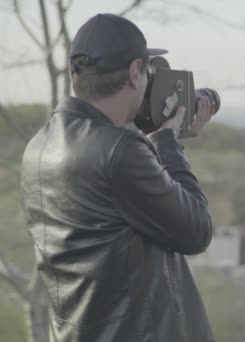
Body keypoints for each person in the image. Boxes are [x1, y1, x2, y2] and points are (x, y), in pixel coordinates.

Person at [20, 13, 215, 341]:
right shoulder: (119, 150)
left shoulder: (38, 148)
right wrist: (166, 142)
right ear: (136, 71)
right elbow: (197, 231)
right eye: (148, 70)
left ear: (72, 71)